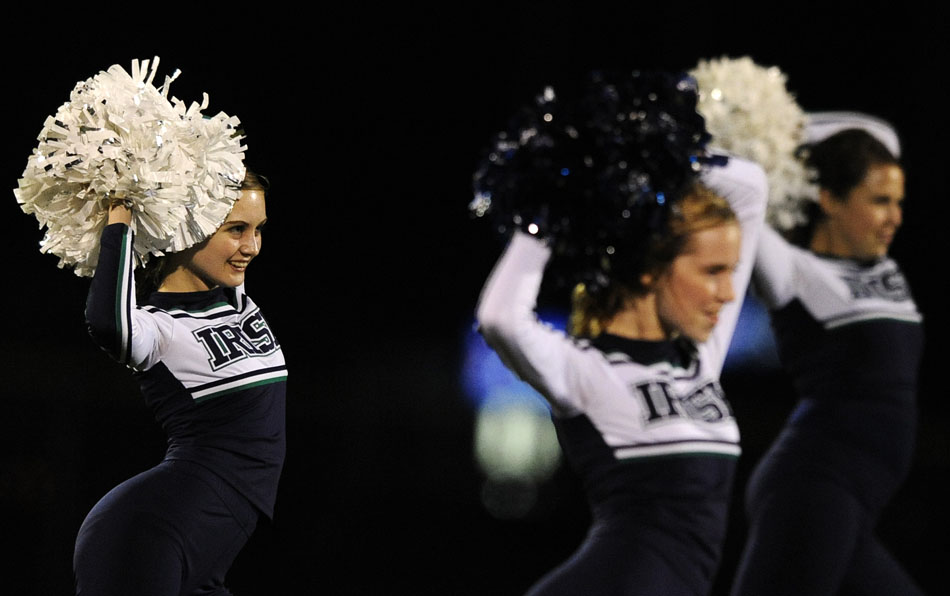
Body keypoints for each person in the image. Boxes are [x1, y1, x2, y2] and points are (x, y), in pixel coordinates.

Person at [475, 75, 768, 592]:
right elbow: (500, 318)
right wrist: (546, 210)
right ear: (652, 272)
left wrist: (650, 159)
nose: (729, 292)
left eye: (731, 270)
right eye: (711, 272)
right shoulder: (584, 369)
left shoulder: (699, 357)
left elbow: (749, 185)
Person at [729, 127, 925, 596]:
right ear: (829, 199)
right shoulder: (794, 272)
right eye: (879, 201)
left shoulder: (885, 268)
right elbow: (742, 187)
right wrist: (752, 125)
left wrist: (789, 127)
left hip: (847, 501)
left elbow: (882, 133)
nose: (894, 218)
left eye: (898, 202)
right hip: (811, 489)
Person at [74, 170, 288, 596]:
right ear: (188, 226)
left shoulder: (235, 297)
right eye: (236, 229)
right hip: (146, 534)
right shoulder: (159, 327)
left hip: (208, 551)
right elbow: (107, 322)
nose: (252, 246)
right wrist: (123, 208)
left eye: (258, 229)